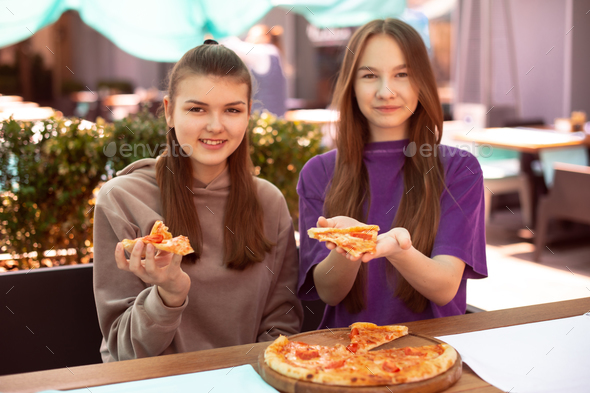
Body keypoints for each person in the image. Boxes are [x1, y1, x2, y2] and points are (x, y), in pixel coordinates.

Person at [93, 40, 303, 362]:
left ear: (248, 115)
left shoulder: (268, 201)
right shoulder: (122, 198)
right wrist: (169, 294)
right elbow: (123, 351)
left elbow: (282, 325)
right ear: (168, 112)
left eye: (232, 110)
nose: (215, 126)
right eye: (197, 109)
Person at [297, 19, 487, 329]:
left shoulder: (459, 170)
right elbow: (329, 293)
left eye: (402, 74)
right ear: (351, 85)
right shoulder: (318, 172)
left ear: (422, 82)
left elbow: (443, 288)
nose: (386, 91)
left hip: (433, 353)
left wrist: (400, 251)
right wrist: (351, 244)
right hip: (344, 359)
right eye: (370, 75)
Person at [222, 24, 288, 117]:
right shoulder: (275, 52)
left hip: (263, 120)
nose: (249, 39)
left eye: (252, 36)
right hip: (278, 117)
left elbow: (232, 46)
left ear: (266, 37)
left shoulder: (261, 52)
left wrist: (219, 31)